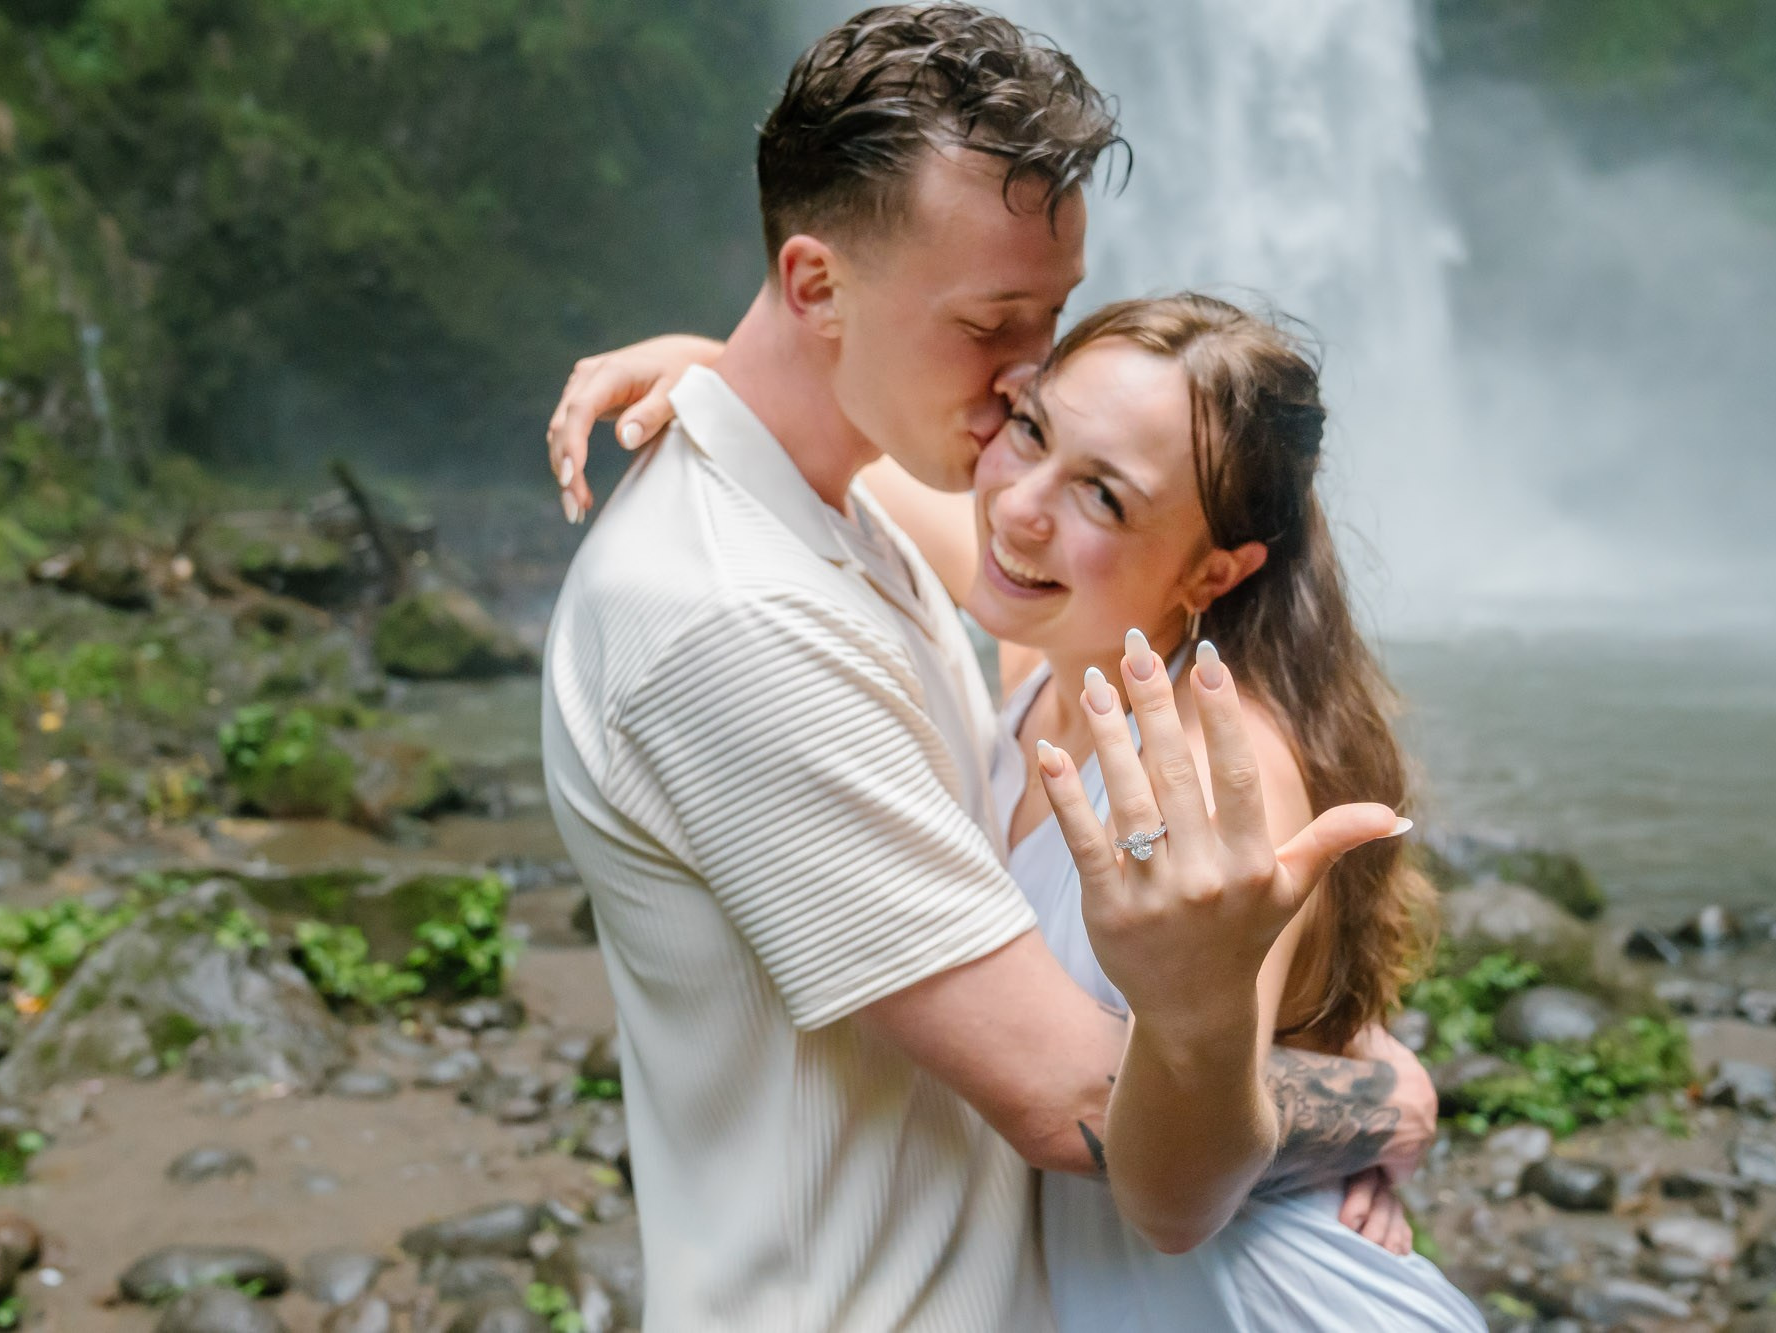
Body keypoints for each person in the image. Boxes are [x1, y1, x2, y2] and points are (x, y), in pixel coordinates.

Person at [539, 8, 1436, 1331]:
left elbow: (917, 488)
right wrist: (1380, 1100)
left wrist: (713, 369)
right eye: (992, 322)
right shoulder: (735, 620)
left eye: (1055, 316)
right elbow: (1080, 1103)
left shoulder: (866, 511)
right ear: (815, 286)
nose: (1027, 379)